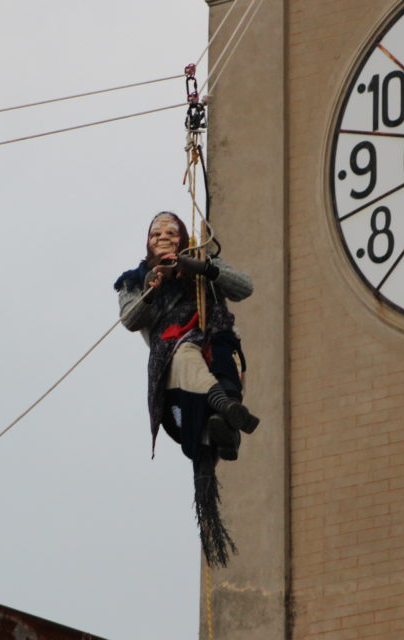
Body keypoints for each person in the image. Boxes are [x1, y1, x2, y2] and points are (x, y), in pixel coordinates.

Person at [113, 211, 259, 566]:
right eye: (156, 233)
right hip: (174, 356)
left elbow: (244, 287)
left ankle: (225, 419)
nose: (163, 237)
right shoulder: (134, 280)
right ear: (147, 242)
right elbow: (130, 320)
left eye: (171, 231)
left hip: (218, 340)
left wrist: (205, 269)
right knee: (185, 355)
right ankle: (226, 410)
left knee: (220, 358)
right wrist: (152, 289)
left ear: (183, 237)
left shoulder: (202, 263)